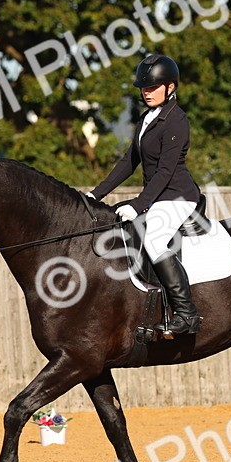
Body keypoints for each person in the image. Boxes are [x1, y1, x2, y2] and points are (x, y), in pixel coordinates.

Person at [86, 54, 202, 335]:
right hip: (157, 196)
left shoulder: (177, 121)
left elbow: (165, 171)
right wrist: (95, 194)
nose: (146, 92)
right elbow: (129, 161)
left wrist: (138, 204)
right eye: (143, 87)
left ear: (170, 87)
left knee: (155, 237)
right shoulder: (147, 118)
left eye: (153, 87)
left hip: (178, 196)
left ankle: (186, 314)